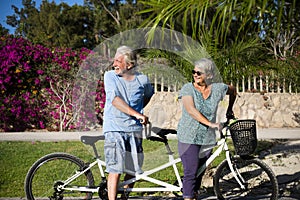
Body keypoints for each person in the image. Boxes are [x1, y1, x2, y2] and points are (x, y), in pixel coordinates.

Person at [177, 58, 236, 200]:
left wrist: (230, 109)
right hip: (188, 136)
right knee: (191, 171)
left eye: (199, 72)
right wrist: (211, 124)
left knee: (200, 170)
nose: (195, 75)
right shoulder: (188, 88)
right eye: (194, 72)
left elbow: (233, 90)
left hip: (207, 138)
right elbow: (191, 110)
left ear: (209, 75)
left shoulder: (218, 88)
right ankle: (188, 196)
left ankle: (193, 194)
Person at [103, 46, 154, 200]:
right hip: (115, 128)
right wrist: (137, 114)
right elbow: (114, 100)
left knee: (133, 168)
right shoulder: (110, 76)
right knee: (115, 168)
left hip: (134, 129)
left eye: (118, 61)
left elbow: (148, 95)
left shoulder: (142, 80)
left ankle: (124, 197)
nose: (114, 64)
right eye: (114, 61)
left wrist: (138, 112)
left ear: (129, 65)